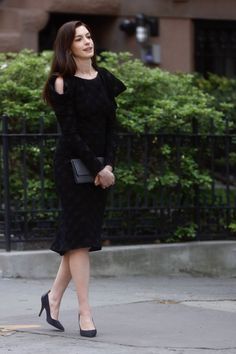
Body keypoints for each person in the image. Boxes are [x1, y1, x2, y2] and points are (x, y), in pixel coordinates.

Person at [40, 20, 126, 337]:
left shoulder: (105, 80)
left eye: (89, 36)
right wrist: (97, 168)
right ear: (68, 46)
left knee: (79, 237)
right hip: (72, 166)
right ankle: (85, 312)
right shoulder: (62, 83)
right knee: (80, 240)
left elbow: (111, 128)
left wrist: (109, 165)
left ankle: (52, 299)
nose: (88, 41)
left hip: (100, 169)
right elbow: (72, 134)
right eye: (79, 39)